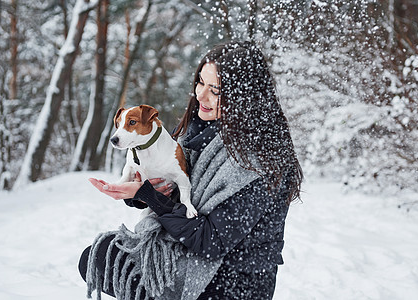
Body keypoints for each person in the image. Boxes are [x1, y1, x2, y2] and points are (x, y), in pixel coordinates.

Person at [79, 41, 303, 300]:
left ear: (244, 96)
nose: (200, 95)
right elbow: (166, 185)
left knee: (106, 262)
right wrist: (141, 191)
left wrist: (152, 197)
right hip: (188, 255)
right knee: (99, 256)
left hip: (236, 282)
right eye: (200, 82)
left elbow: (210, 242)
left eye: (215, 90)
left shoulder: (259, 161)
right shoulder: (193, 133)